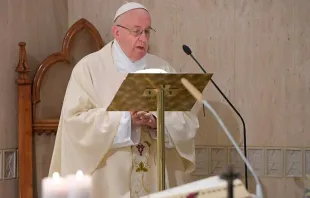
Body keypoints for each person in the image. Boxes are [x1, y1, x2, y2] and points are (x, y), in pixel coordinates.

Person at [49, 2, 200, 198]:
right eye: (136, 31)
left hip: (155, 180)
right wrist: (125, 120)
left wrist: (157, 122)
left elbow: (186, 122)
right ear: (116, 32)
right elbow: (75, 122)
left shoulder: (163, 69)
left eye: (147, 32)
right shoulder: (89, 69)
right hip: (108, 184)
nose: (143, 39)